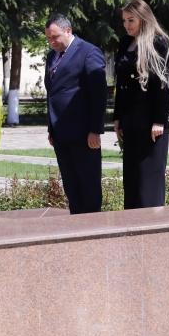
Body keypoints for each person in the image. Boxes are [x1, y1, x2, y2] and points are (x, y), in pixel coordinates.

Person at [113, 0, 169, 209]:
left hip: (151, 124)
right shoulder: (125, 43)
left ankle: (153, 225)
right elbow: (121, 85)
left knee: (149, 181)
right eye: (124, 20)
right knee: (132, 180)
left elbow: (163, 85)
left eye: (131, 20)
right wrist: (117, 117)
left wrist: (159, 121)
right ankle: (132, 223)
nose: (126, 25)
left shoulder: (159, 42)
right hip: (130, 121)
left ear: (144, 19)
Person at [45, 13, 107, 214]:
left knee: (88, 186)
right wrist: (52, 129)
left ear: (68, 31)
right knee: (71, 187)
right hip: (60, 133)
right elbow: (53, 93)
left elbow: (98, 95)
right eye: (48, 38)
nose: (52, 42)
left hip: (84, 134)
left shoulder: (89, 52)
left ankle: (92, 226)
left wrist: (95, 130)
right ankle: (76, 225)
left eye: (55, 37)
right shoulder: (51, 55)